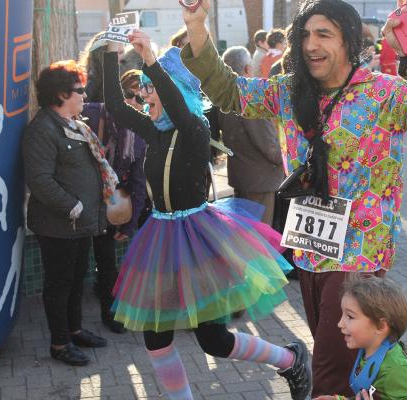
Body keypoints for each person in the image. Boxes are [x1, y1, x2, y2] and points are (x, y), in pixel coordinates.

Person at [180, 0, 407, 396]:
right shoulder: (289, 92)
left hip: (359, 254)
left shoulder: (385, 94)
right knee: (342, 356)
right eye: (305, 35)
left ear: (348, 41)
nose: (311, 44)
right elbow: (230, 91)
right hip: (311, 248)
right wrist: (196, 25)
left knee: (328, 371)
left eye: (323, 34)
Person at [103, 32, 311, 400]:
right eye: (144, 90)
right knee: (155, 336)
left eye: (151, 90)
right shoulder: (156, 131)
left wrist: (152, 60)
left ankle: (290, 360)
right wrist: (110, 54)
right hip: (161, 239)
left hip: (198, 239)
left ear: (174, 90)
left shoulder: (194, 129)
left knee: (213, 340)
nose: (145, 96)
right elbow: (116, 107)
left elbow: (179, 109)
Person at [23, 60, 114, 365]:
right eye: (79, 90)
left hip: (81, 223)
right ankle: (60, 344)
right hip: (59, 224)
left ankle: (74, 330)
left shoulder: (77, 125)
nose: (84, 96)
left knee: (77, 280)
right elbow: (39, 179)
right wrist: (71, 205)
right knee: (60, 283)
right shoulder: (43, 129)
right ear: (61, 94)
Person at [80, 34, 148, 334]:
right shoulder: (88, 87)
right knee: (99, 253)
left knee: (106, 253)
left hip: (109, 184)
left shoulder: (110, 86)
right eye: (115, 54)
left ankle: (109, 306)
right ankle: (104, 306)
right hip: (91, 181)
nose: (120, 58)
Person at [313, 275, 407, 400]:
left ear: (381, 326)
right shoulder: (368, 352)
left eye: (350, 317)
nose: (340, 324)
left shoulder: (395, 371)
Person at [218, 46, 285, 225]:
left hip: (241, 176)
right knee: (259, 241)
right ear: (247, 68)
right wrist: (288, 158)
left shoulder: (224, 96)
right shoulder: (251, 96)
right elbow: (270, 147)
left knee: (246, 239)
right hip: (260, 181)